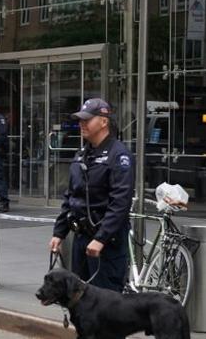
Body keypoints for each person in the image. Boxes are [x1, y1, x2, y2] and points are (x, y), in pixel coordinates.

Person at [49, 98, 133, 293]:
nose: (82, 124)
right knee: (81, 304)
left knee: (106, 304)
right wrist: (59, 232)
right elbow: (71, 196)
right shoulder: (82, 155)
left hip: (106, 243)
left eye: (87, 119)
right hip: (82, 239)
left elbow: (120, 202)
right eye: (80, 120)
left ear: (104, 121)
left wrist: (101, 239)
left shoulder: (119, 156)